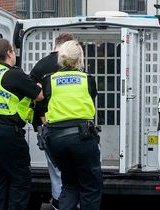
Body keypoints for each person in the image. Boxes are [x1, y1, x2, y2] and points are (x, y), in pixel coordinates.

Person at [0, 38, 44, 210]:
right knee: (20, 180)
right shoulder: (13, 74)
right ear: (9, 53)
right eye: (13, 51)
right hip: (5, 133)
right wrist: (37, 85)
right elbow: (40, 95)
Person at [41, 40, 102, 210]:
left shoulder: (49, 80)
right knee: (90, 187)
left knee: (68, 184)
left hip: (56, 140)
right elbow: (91, 98)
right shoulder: (87, 79)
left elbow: (44, 102)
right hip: (82, 137)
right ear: (80, 59)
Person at [29, 33, 74, 210]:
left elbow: (36, 97)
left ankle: (58, 201)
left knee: (55, 168)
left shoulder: (40, 65)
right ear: (68, 45)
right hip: (71, 123)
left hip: (47, 125)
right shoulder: (72, 64)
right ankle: (69, 201)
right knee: (72, 168)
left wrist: (43, 121)